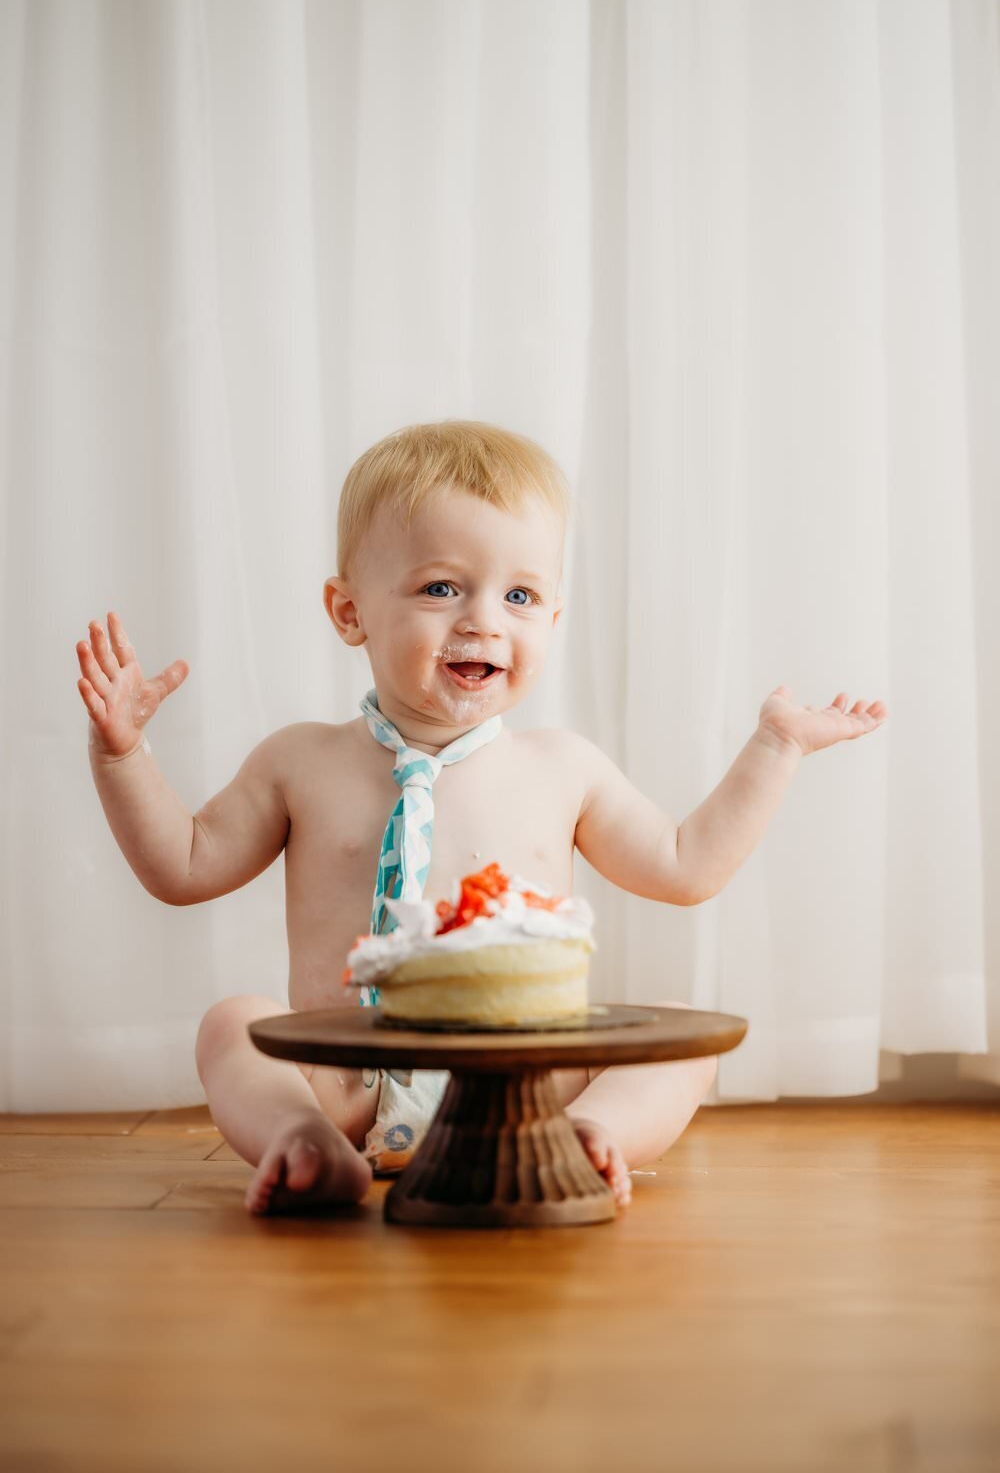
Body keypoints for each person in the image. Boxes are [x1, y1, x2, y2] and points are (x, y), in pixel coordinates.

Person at [76, 419, 888, 1215]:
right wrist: (122, 757)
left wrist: (775, 748)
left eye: (521, 594)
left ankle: (580, 1136)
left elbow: (685, 867)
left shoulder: (561, 767)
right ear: (349, 610)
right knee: (232, 1026)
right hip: (346, 1086)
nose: (484, 620)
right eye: (441, 587)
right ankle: (305, 1144)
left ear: (553, 620)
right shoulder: (300, 760)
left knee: (686, 1042)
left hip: (525, 1088)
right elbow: (183, 868)